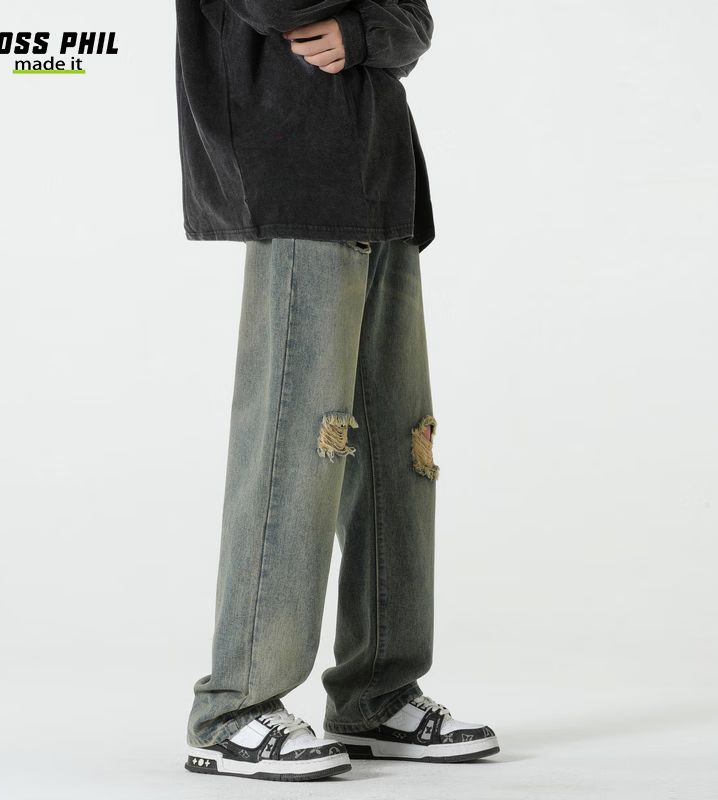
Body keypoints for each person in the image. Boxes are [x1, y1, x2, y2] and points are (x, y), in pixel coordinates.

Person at [175, 0, 499, 781]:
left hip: (381, 175)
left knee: (401, 445)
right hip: (297, 169)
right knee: (296, 441)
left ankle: (376, 694)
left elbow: (414, 24)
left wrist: (365, 30)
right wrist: (375, 23)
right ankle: (235, 707)